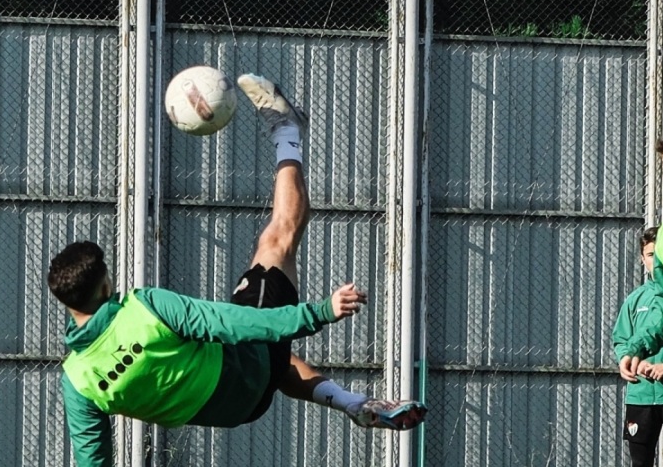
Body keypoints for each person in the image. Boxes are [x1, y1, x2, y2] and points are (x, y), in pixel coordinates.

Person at [47, 74, 427, 466]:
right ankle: (288, 131)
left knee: (272, 357)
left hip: (238, 411)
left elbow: (93, 462)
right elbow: (233, 323)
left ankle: (355, 405)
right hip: (243, 372)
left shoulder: (77, 380)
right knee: (276, 241)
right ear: (106, 283)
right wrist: (319, 312)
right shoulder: (144, 310)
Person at [613, 226, 663, 467]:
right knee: (640, 462)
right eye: (650, 255)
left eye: (660, 254)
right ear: (642, 259)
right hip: (641, 394)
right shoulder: (635, 299)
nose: (656, 261)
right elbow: (621, 339)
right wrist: (627, 359)